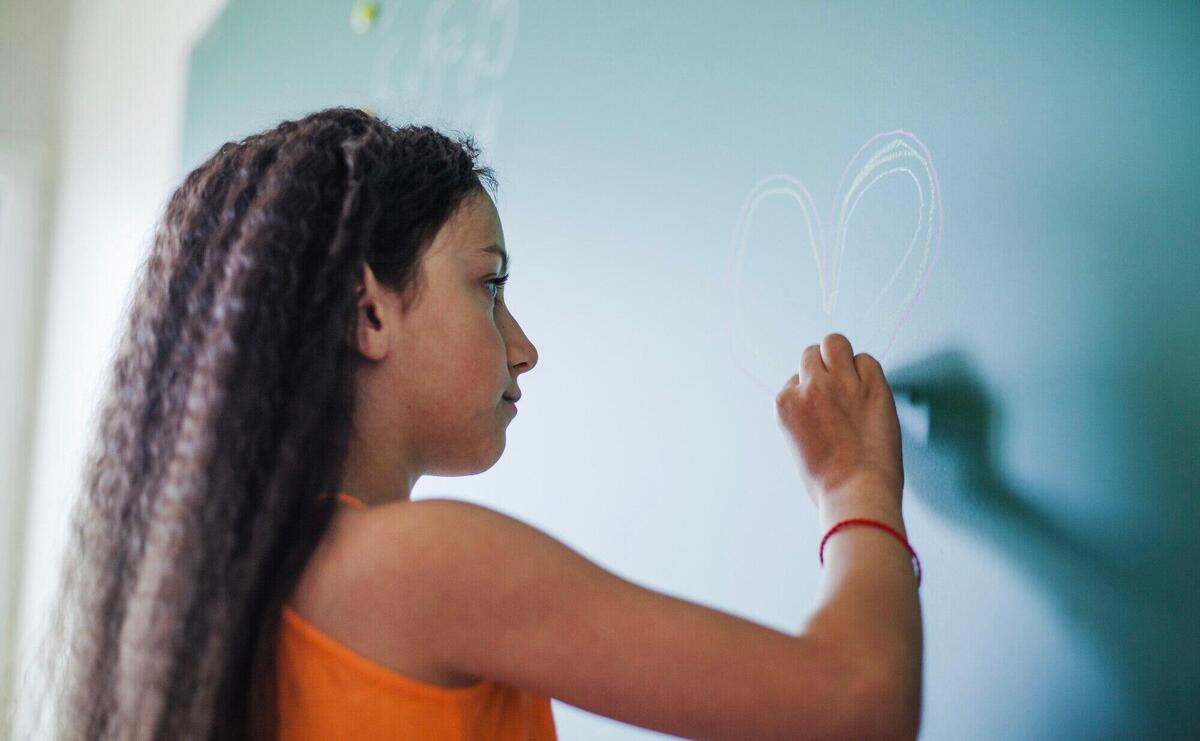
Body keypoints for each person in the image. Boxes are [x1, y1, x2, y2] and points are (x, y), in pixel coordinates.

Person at [23, 106, 921, 740]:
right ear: (366, 314)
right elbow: (857, 704)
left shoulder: (220, 604)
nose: (522, 347)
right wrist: (858, 486)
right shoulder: (407, 566)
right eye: (488, 285)